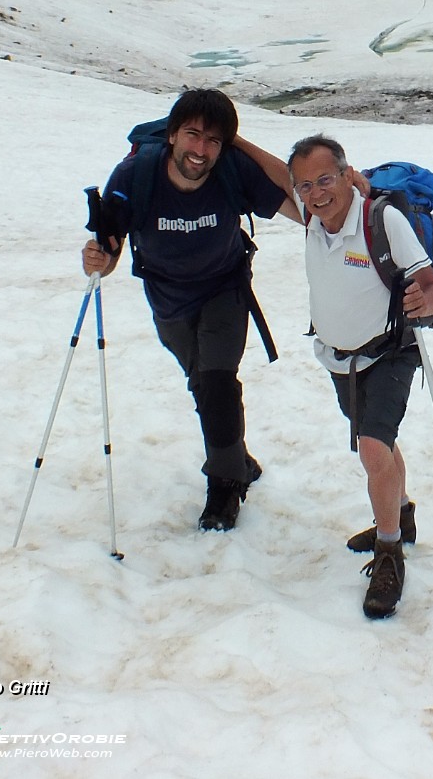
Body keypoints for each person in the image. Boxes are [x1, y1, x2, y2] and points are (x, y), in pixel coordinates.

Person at [80, 89, 300, 532]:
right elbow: (112, 244)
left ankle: (224, 487)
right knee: (201, 383)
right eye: (193, 135)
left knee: (217, 382)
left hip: (226, 288)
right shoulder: (135, 175)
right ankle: (235, 456)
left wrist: (240, 145)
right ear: (172, 135)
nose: (201, 150)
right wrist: (99, 259)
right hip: (167, 299)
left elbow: (300, 203)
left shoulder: (231, 169)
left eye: (214, 140)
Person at [288, 134, 433, 620]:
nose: (316, 193)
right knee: (375, 439)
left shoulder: (381, 220)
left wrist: (430, 301)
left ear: (345, 173)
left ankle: (389, 553)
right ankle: (401, 514)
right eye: (305, 185)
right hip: (340, 360)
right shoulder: (313, 222)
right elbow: (273, 174)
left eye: (324, 179)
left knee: (372, 447)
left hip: (389, 354)